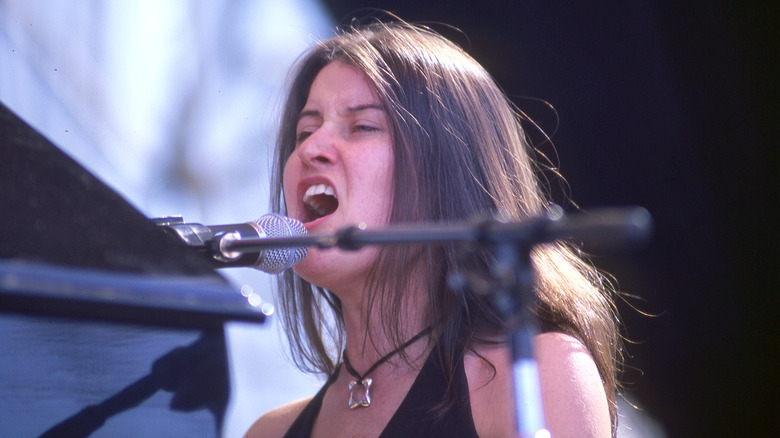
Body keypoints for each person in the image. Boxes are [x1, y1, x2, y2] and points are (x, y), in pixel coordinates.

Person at [246, 19, 620, 438]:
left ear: (447, 172)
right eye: (305, 131)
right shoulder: (269, 432)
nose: (310, 149)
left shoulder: (534, 375)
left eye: (362, 126)